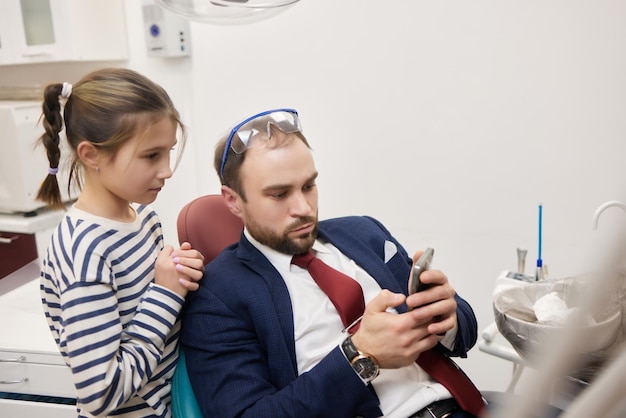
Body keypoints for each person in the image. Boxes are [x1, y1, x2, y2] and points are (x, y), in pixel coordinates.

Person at [180, 108, 484, 418]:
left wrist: (447, 318)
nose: (303, 208)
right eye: (280, 194)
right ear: (233, 201)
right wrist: (359, 356)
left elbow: (465, 333)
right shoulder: (216, 294)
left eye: (308, 186)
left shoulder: (363, 232)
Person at [37, 68, 205, 418]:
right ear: (92, 155)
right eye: (151, 156)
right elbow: (101, 394)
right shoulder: (84, 251)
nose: (168, 170)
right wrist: (167, 294)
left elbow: (160, 331)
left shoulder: (143, 219)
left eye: (169, 152)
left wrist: (182, 280)